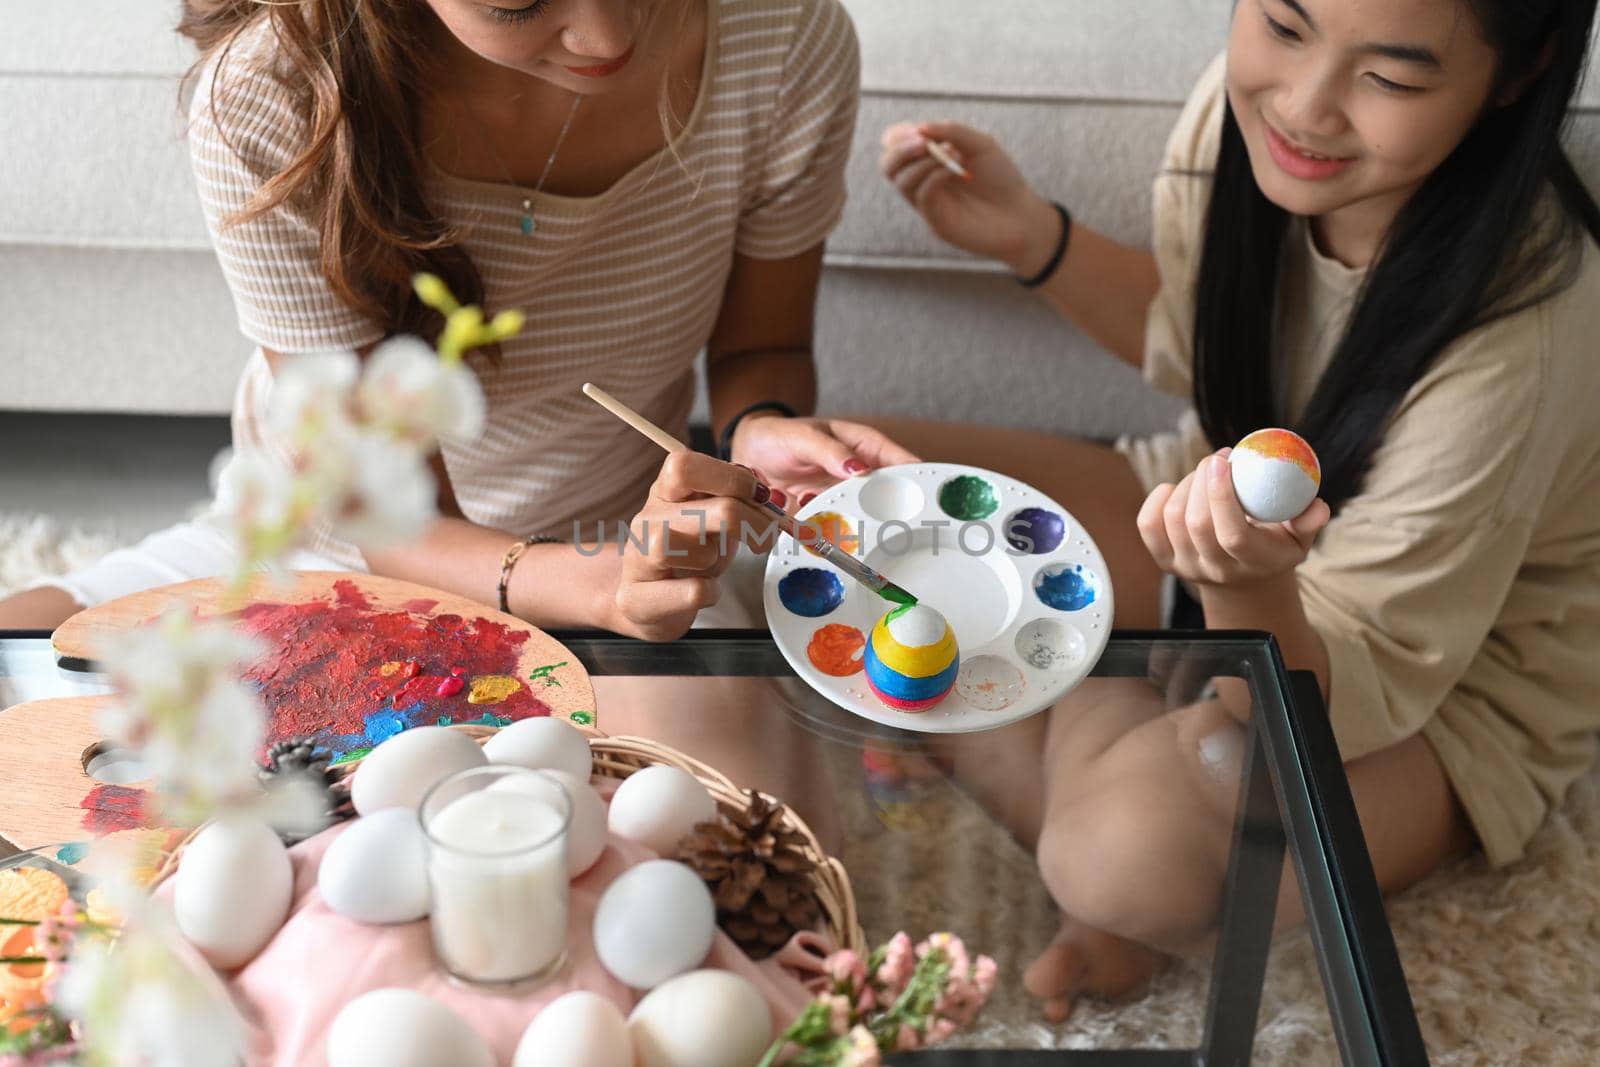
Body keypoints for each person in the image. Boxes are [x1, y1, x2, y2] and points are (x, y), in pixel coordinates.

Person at [880, 0, 1600, 1020]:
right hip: (1212, 510)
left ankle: (1099, 758)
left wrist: (1241, 584)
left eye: (1388, 79)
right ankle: (1113, 759)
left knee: (1121, 850)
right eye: (1281, 24)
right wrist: (1034, 239)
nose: (1305, 107)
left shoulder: (1519, 338)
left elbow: (1326, 705)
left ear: (1515, 75)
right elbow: (1206, 333)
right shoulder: (1250, 120)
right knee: (851, 506)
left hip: (1432, 681)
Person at [0, 0, 916, 640]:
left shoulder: (788, 37)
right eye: (516, 0)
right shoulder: (270, 100)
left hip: (620, 539)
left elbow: (763, 345)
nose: (610, 32)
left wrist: (758, 430)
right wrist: (593, 591)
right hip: (328, 545)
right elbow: (391, 523)